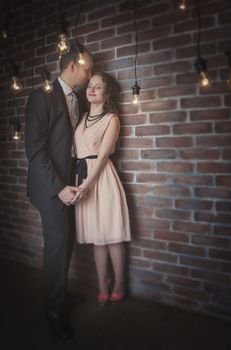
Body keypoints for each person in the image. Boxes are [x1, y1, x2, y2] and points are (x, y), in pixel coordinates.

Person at [25, 43, 93, 340]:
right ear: (72, 66)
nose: (91, 75)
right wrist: (58, 188)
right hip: (50, 188)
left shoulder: (77, 98)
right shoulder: (42, 97)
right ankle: (54, 309)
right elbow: (35, 151)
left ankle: (60, 294)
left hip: (70, 185)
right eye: (88, 68)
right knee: (57, 247)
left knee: (67, 244)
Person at [72, 72, 131, 306]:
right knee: (98, 238)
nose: (92, 89)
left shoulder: (112, 119)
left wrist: (85, 185)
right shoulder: (82, 117)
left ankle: (119, 283)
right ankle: (102, 283)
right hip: (82, 176)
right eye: (90, 85)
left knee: (112, 236)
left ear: (107, 94)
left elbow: (104, 155)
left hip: (102, 178)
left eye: (98, 87)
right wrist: (79, 183)